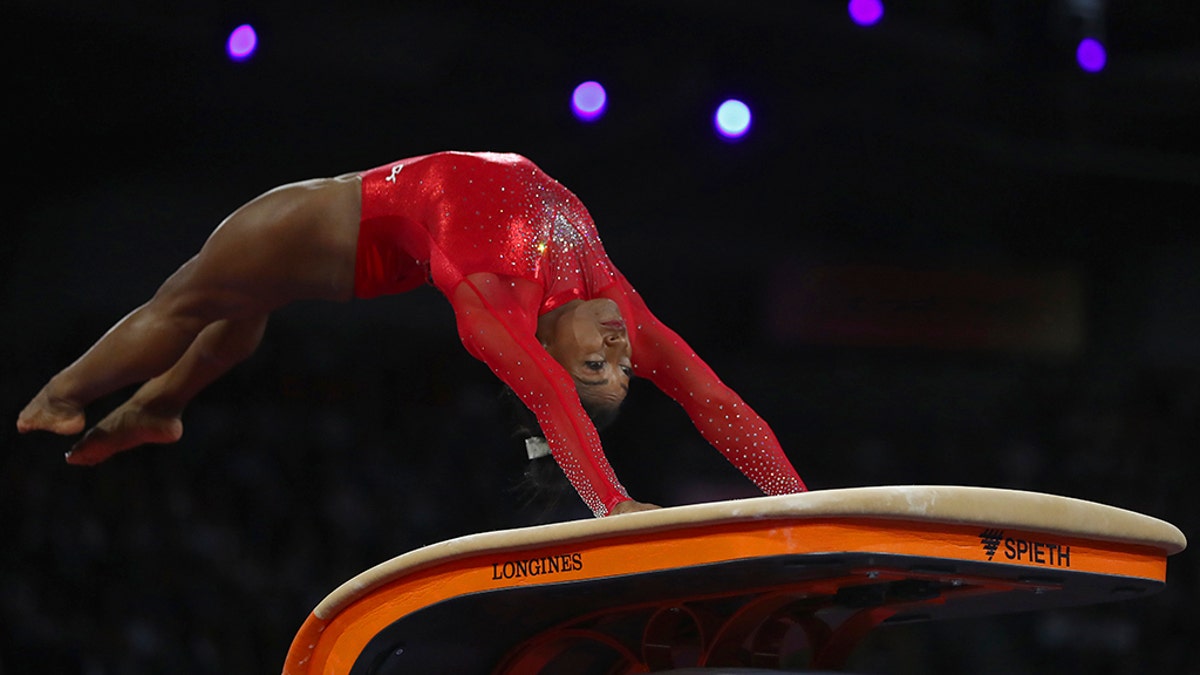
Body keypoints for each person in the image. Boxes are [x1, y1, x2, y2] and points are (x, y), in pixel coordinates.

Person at [17, 151, 806, 517]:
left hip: (338, 229)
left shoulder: (495, 302)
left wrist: (609, 504)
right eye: (619, 366)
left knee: (194, 303)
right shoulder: (616, 305)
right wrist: (800, 499)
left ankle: (81, 397)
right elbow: (713, 397)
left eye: (595, 363)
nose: (617, 350)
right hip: (345, 230)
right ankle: (114, 399)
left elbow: (548, 392)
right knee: (217, 307)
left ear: (557, 350)